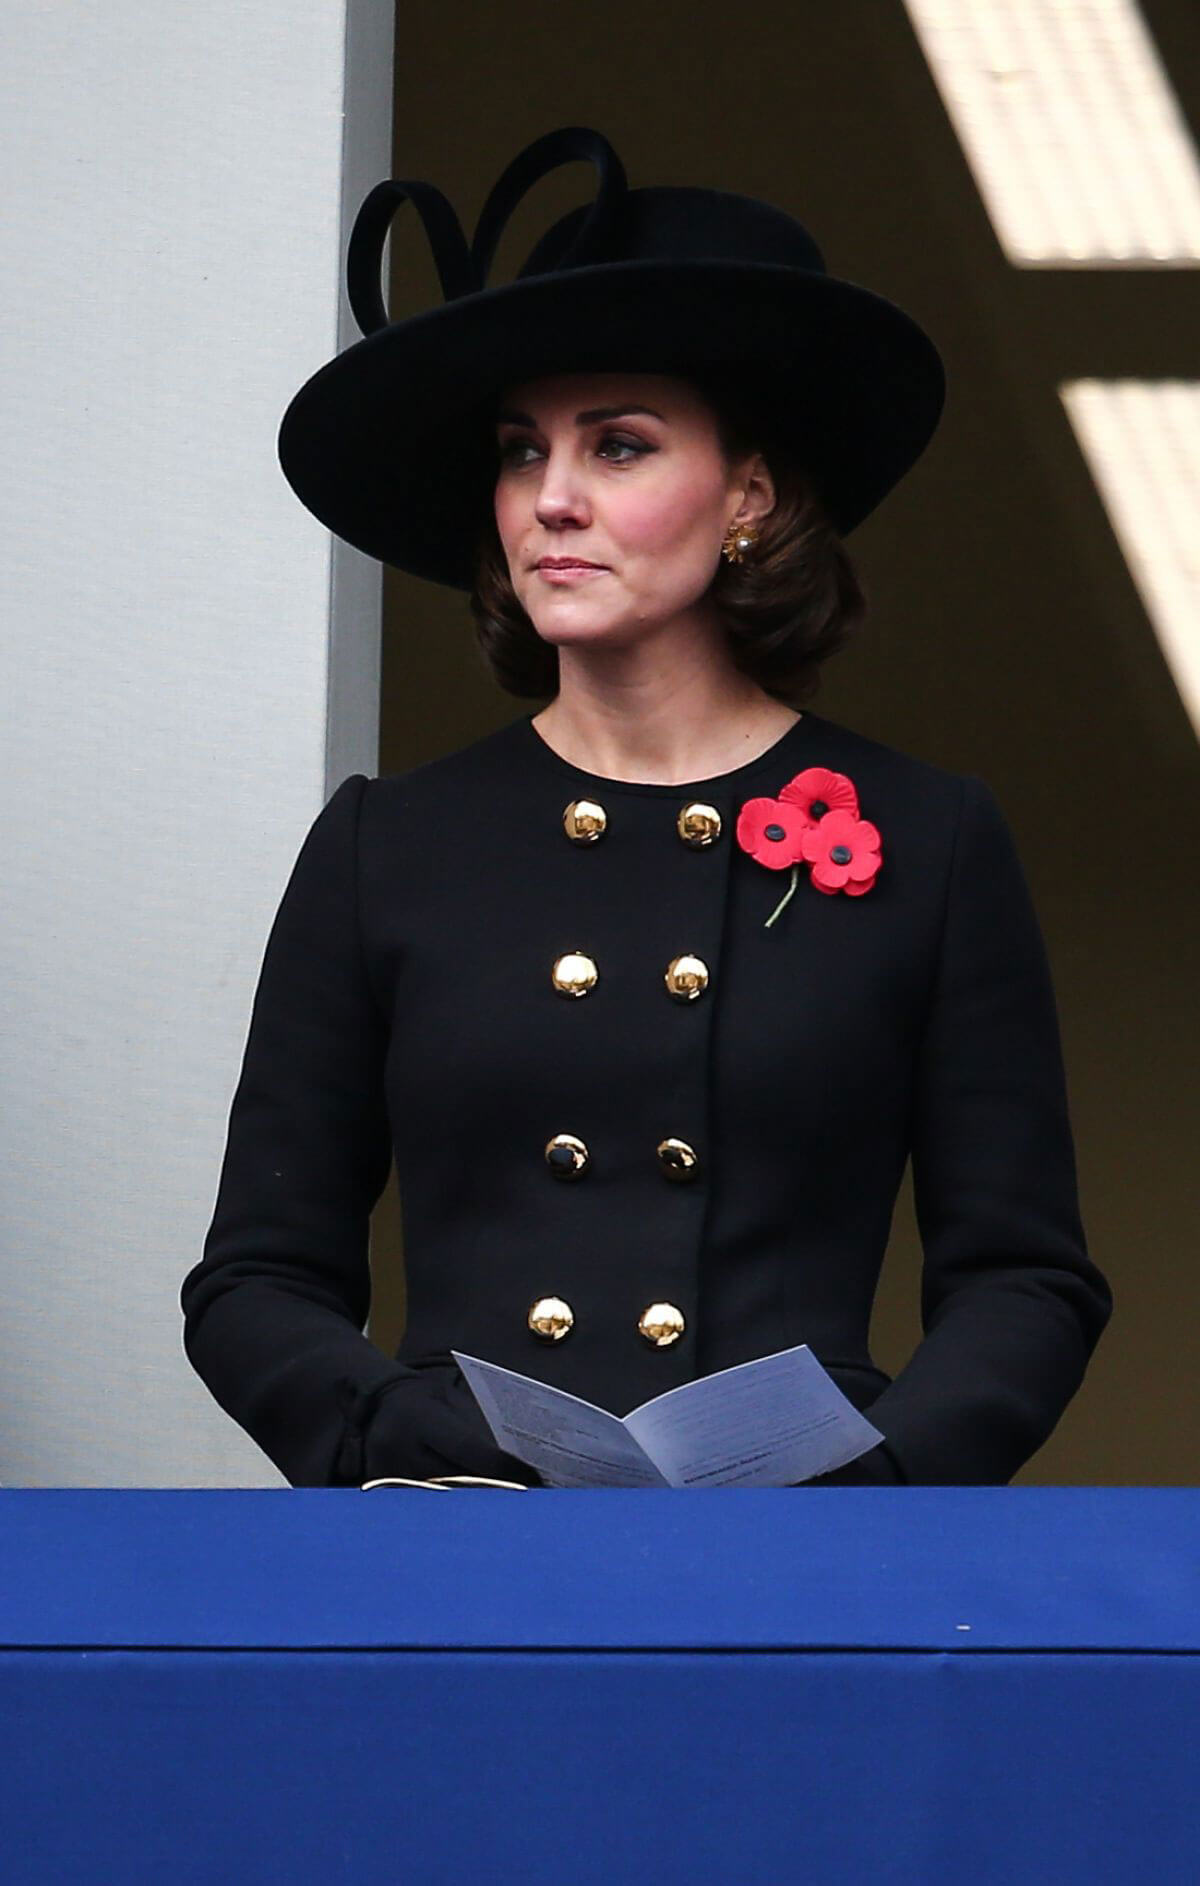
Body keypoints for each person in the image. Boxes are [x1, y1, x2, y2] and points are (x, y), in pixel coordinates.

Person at [180, 126, 1112, 1489]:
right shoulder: (392, 844)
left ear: (749, 491)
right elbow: (255, 1277)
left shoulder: (933, 838)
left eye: (616, 445)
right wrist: (394, 1429)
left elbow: (1026, 1274)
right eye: (518, 450)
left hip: (803, 1562)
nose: (549, 499)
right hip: (460, 1543)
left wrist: (884, 1476)